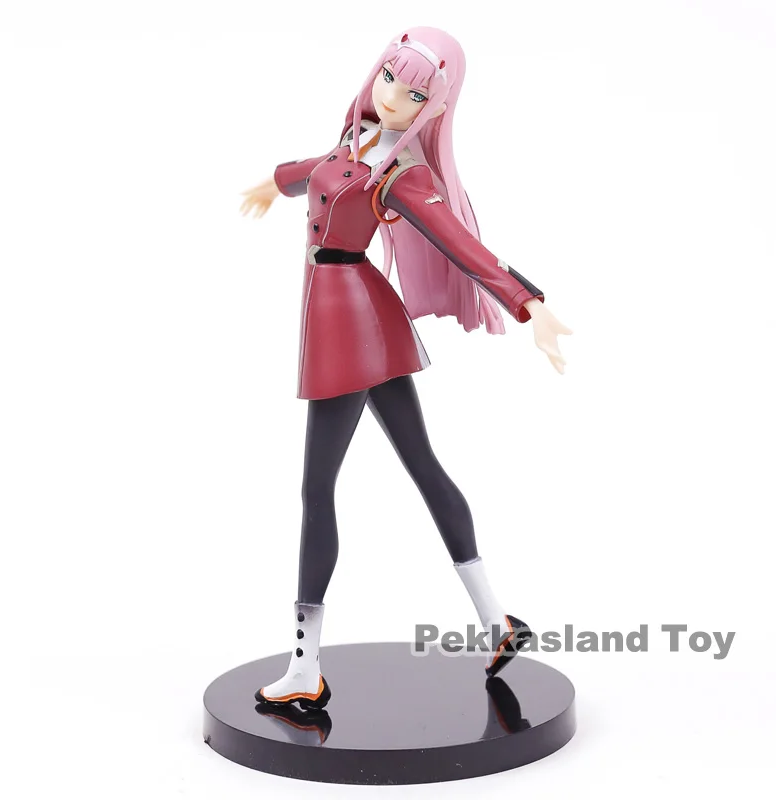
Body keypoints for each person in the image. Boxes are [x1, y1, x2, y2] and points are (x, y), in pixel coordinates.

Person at [240, 26, 572, 710]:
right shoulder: (353, 142)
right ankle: (499, 624)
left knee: (317, 489)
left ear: (435, 106)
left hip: (349, 328)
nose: (394, 96)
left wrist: (528, 302)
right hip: (357, 320)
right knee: (422, 466)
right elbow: (312, 171)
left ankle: (305, 666)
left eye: (416, 92)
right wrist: (272, 183)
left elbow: (460, 243)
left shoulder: (403, 173)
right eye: (390, 76)